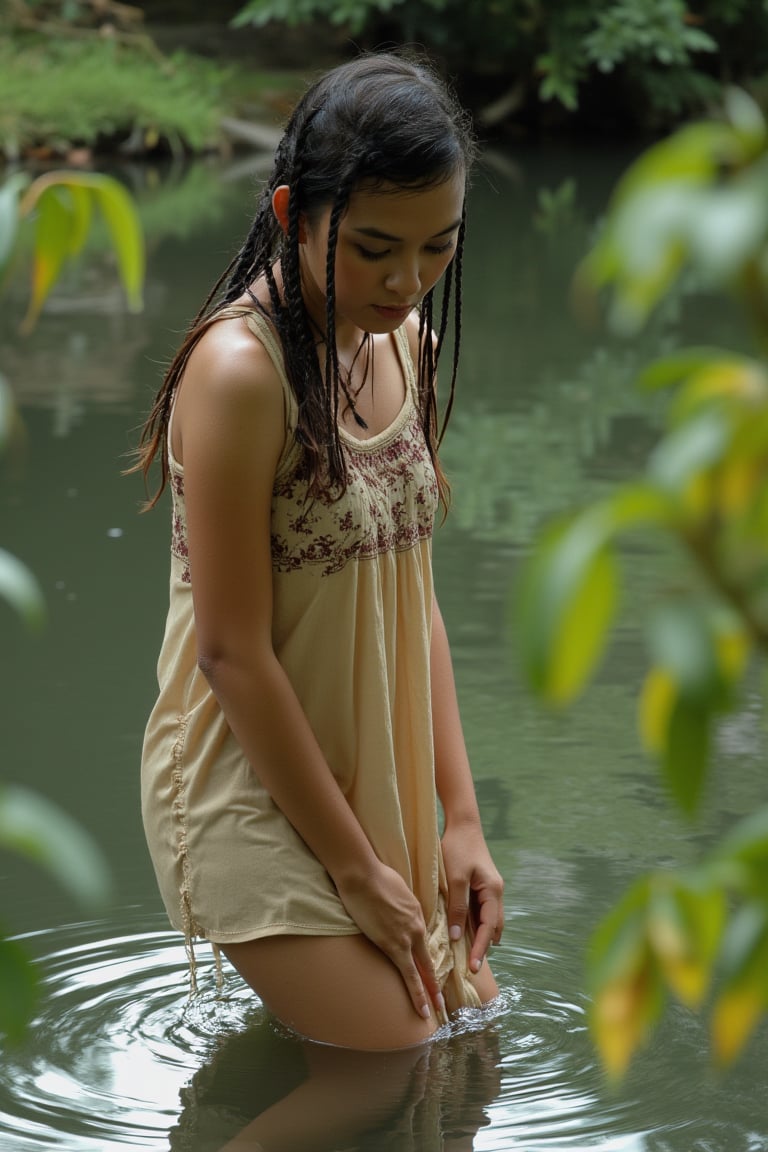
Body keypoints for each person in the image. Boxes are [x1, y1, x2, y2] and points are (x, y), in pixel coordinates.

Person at [133, 49, 504, 1056]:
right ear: (295, 213)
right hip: (246, 782)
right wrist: (355, 872)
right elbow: (232, 653)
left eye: (438, 249)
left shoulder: (407, 346)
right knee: (395, 1069)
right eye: (376, 246)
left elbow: (413, 598)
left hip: (367, 772)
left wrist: (459, 821)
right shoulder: (241, 372)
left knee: (469, 1038)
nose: (407, 280)